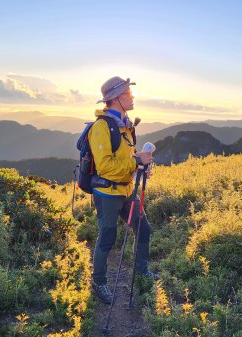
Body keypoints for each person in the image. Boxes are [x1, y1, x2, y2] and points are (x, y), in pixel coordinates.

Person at [89, 76, 158, 304]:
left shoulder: (125, 124)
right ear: (116, 98)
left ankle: (141, 272)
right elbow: (105, 167)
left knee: (144, 230)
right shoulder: (101, 127)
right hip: (108, 194)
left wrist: (141, 165)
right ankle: (98, 282)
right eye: (128, 93)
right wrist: (137, 160)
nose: (132, 97)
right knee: (107, 237)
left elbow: (127, 158)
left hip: (127, 191)